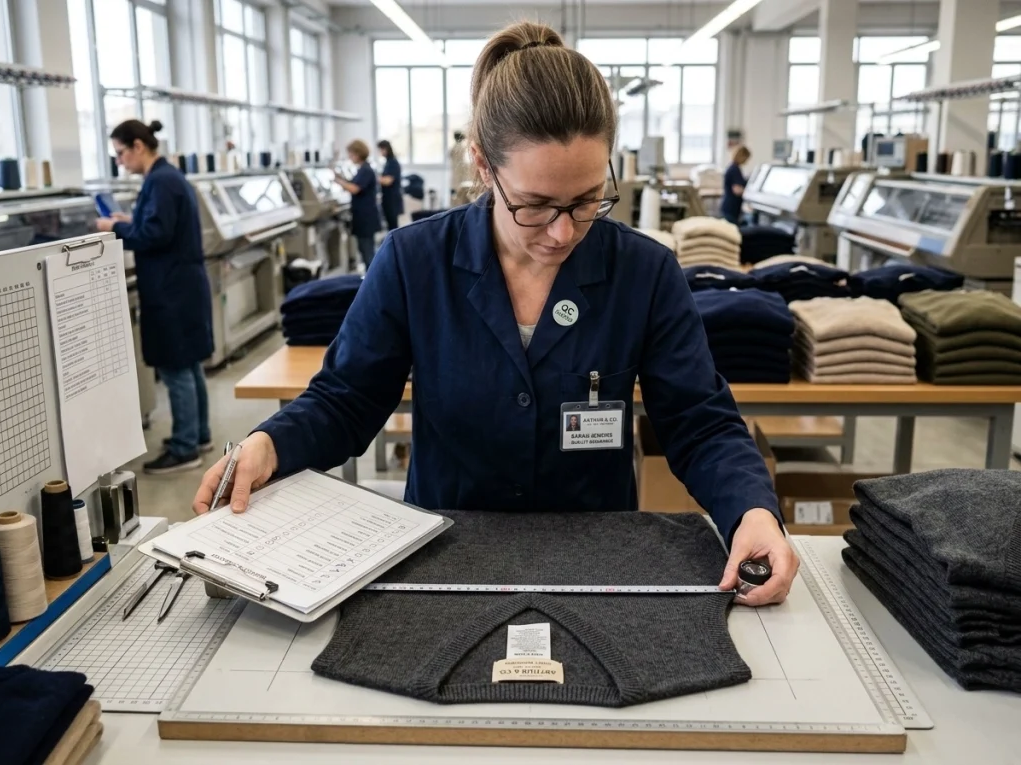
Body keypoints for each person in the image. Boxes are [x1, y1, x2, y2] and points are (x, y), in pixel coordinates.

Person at [193, 22, 798, 606]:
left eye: (587, 200)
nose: (563, 233)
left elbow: (699, 421)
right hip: (442, 560)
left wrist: (751, 509)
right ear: (483, 166)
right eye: (535, 205)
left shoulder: (644, 273)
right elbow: (346, 399)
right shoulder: (414, 262)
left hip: (595, 567)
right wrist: (271, 444)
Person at [96, 119, 213, 475]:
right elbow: (157, 223)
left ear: (138, 146)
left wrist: (116, 227)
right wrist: (130, 220)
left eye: (120, 153)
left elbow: (155, 235)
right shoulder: (167, 177)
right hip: (183, 285)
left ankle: (185, 448)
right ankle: (199, 436)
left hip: (170, 289)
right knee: (189, 364)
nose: (120, 161)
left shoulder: (161, 180)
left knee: (175, 367)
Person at [335, 140, 381, 269]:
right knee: (364, 248)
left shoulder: (366, 170)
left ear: (358, 153)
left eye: (350, 154)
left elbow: (355, 188)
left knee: (367, 251)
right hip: (362, 216)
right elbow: (353, 184)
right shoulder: (362, 169)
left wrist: (339, 182)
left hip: (366, 217)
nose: (349, 157)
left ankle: (372, 277)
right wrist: (342, 179)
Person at [377, 140, 403, 232]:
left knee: (393, 225)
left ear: (386, 149)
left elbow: (388, 181)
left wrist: (374, 178)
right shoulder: (387, 162)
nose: (380, 152)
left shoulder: (393, 163)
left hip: (392, 199)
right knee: (390, 224)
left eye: (381, 150)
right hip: (388, 199)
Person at [721, 145, 751, 225]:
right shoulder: (734, 170)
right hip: (731, 207)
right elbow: (737, 190)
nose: (747, 161)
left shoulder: (732, 167)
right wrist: (752, 195)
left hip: (729, 206)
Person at [449, 130, 470, 205]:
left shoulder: (453, 148)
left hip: (456, 170)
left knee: (456, 190)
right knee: (459, 192)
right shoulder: (461, 147)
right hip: (460, 170)